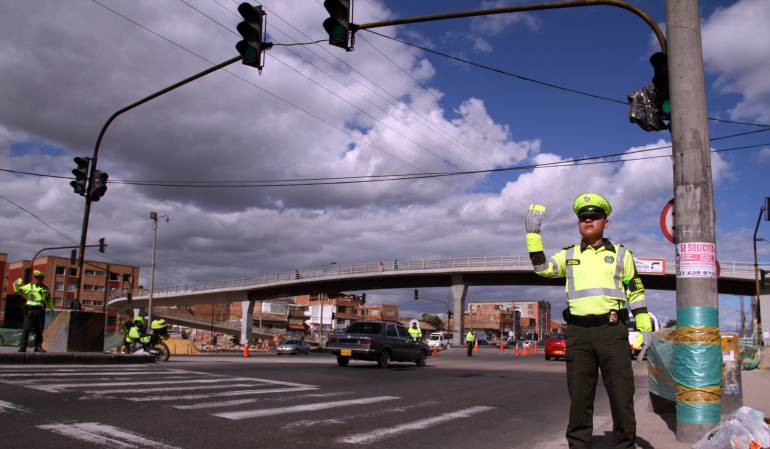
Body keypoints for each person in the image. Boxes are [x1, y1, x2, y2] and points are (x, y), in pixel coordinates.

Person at [525, 193, 652, 449]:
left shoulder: (621, 255)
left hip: (611, 332)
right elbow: (542, 269)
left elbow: (635, 292)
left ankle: (624, 445)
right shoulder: (568, 254)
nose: (588, 220)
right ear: (579, 223)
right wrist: (533, 235)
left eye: (594, 216)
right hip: (579, 334)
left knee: (621, 395)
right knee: (580, 399)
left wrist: (644, 328)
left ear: (606, 222)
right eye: (583, 217)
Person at [14, 270, 53, 353]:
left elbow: (48, 300)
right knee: (26, 329)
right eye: (36, 278)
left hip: (40, 311)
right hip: (30, 310)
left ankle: (38, 347)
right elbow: (17, 291)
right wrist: (16, 283)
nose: (37, 279)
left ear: (42, 279)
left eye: (39, 278)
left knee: (39, 330)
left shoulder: (45, 288)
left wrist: (51, 309)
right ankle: (22, 347)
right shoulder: (29, 286)